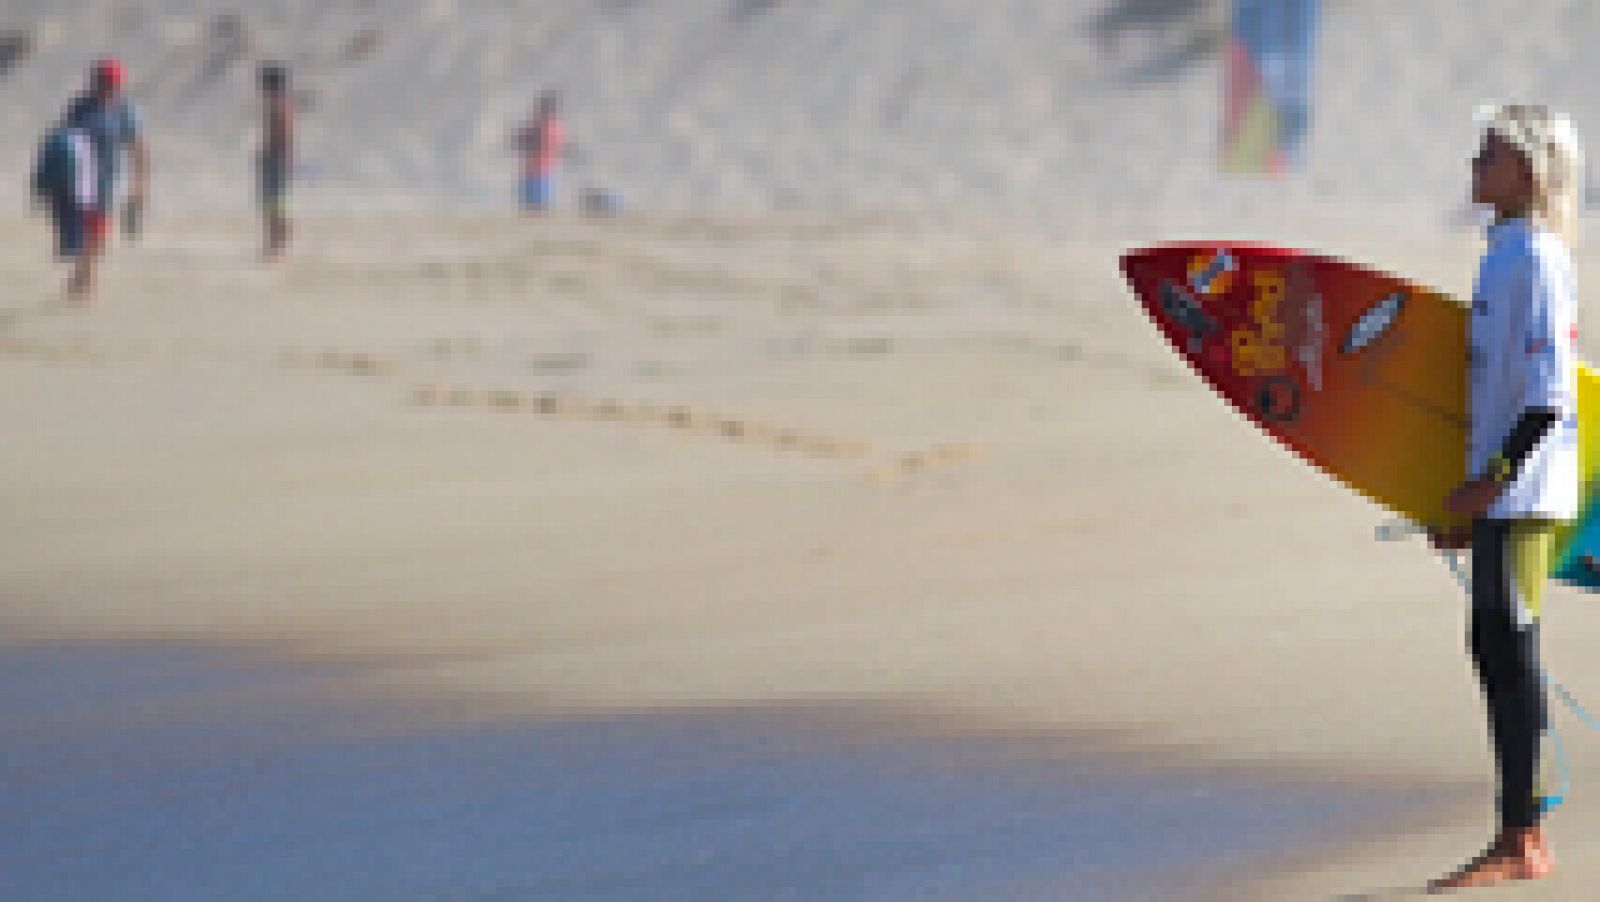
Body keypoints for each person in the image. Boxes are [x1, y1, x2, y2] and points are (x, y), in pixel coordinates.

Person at [1429, 103, 1583, 891]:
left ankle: (1522, 840)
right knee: (1492, 646)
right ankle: (1520, 832)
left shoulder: (1540, 259)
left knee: (1509, 644)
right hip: (1501, 492)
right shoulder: (1504, 253)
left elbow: (1551, 395)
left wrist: (1491, 477)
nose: (1474, 163)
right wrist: (1466, 496)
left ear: (1526, 169)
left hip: (1525, 488)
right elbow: (1496, 390)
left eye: (1488, 153)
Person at [60, 57, 149, 299]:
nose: (105, 89)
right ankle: (82, 275)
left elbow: (138, 148)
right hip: (78, 177)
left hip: (107, 181)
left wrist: (139, 185)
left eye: (110, 84)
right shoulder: (79, 107)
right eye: (101, 83)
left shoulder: (124, 111)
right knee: (81, 230)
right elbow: (64, 141)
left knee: (97, 233)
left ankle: (85, 276)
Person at [30, 109, 98, 299]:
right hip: (78, 194)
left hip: (59, 191)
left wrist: (39, 189)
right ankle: (79, 281)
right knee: (81, 236)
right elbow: (87, 171)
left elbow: (42, 167)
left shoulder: (55, 138)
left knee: (67, 229)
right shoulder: (82, 141)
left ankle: (74, 273)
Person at [258, 62, 294, 259]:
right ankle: (276, 238)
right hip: (273, 158)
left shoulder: (279, 105)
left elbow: (284, 135)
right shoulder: (279, 104)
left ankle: (275, 242)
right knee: (272, 202)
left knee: (272, 202)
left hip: (275, 160)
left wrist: (283, 158)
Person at [515, 92, 565, 212]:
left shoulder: (541, 126)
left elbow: (528, 142)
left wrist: (522, 138)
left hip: (538, 172)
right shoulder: (556, 126)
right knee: (539, 210)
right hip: (544, 172)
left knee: (534, 209)